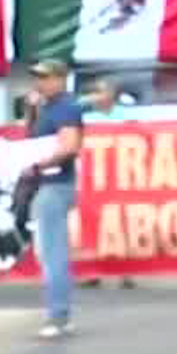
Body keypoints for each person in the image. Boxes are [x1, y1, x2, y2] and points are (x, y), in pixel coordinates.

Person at [23, 59, 84, 339]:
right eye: (37, 77)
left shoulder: (65, 106)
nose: (40, 82)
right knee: (49, 252)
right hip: (48, 184)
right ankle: (61, 314)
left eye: (46, 77)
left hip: (56, 185)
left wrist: (39, 164)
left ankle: (58, 316)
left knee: (54, 253)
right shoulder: (46, 107)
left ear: (61, 79)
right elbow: (33, 139)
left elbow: (70, 145)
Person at [79, 79, 134, 289]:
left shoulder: (126, 116)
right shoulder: (86, 118)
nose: (101, 95)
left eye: (104, 91)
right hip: (94, 178)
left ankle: (126, 272)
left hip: (120, 177)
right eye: (97, 92)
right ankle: (93, 272)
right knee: (93, 225)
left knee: (122, 223)